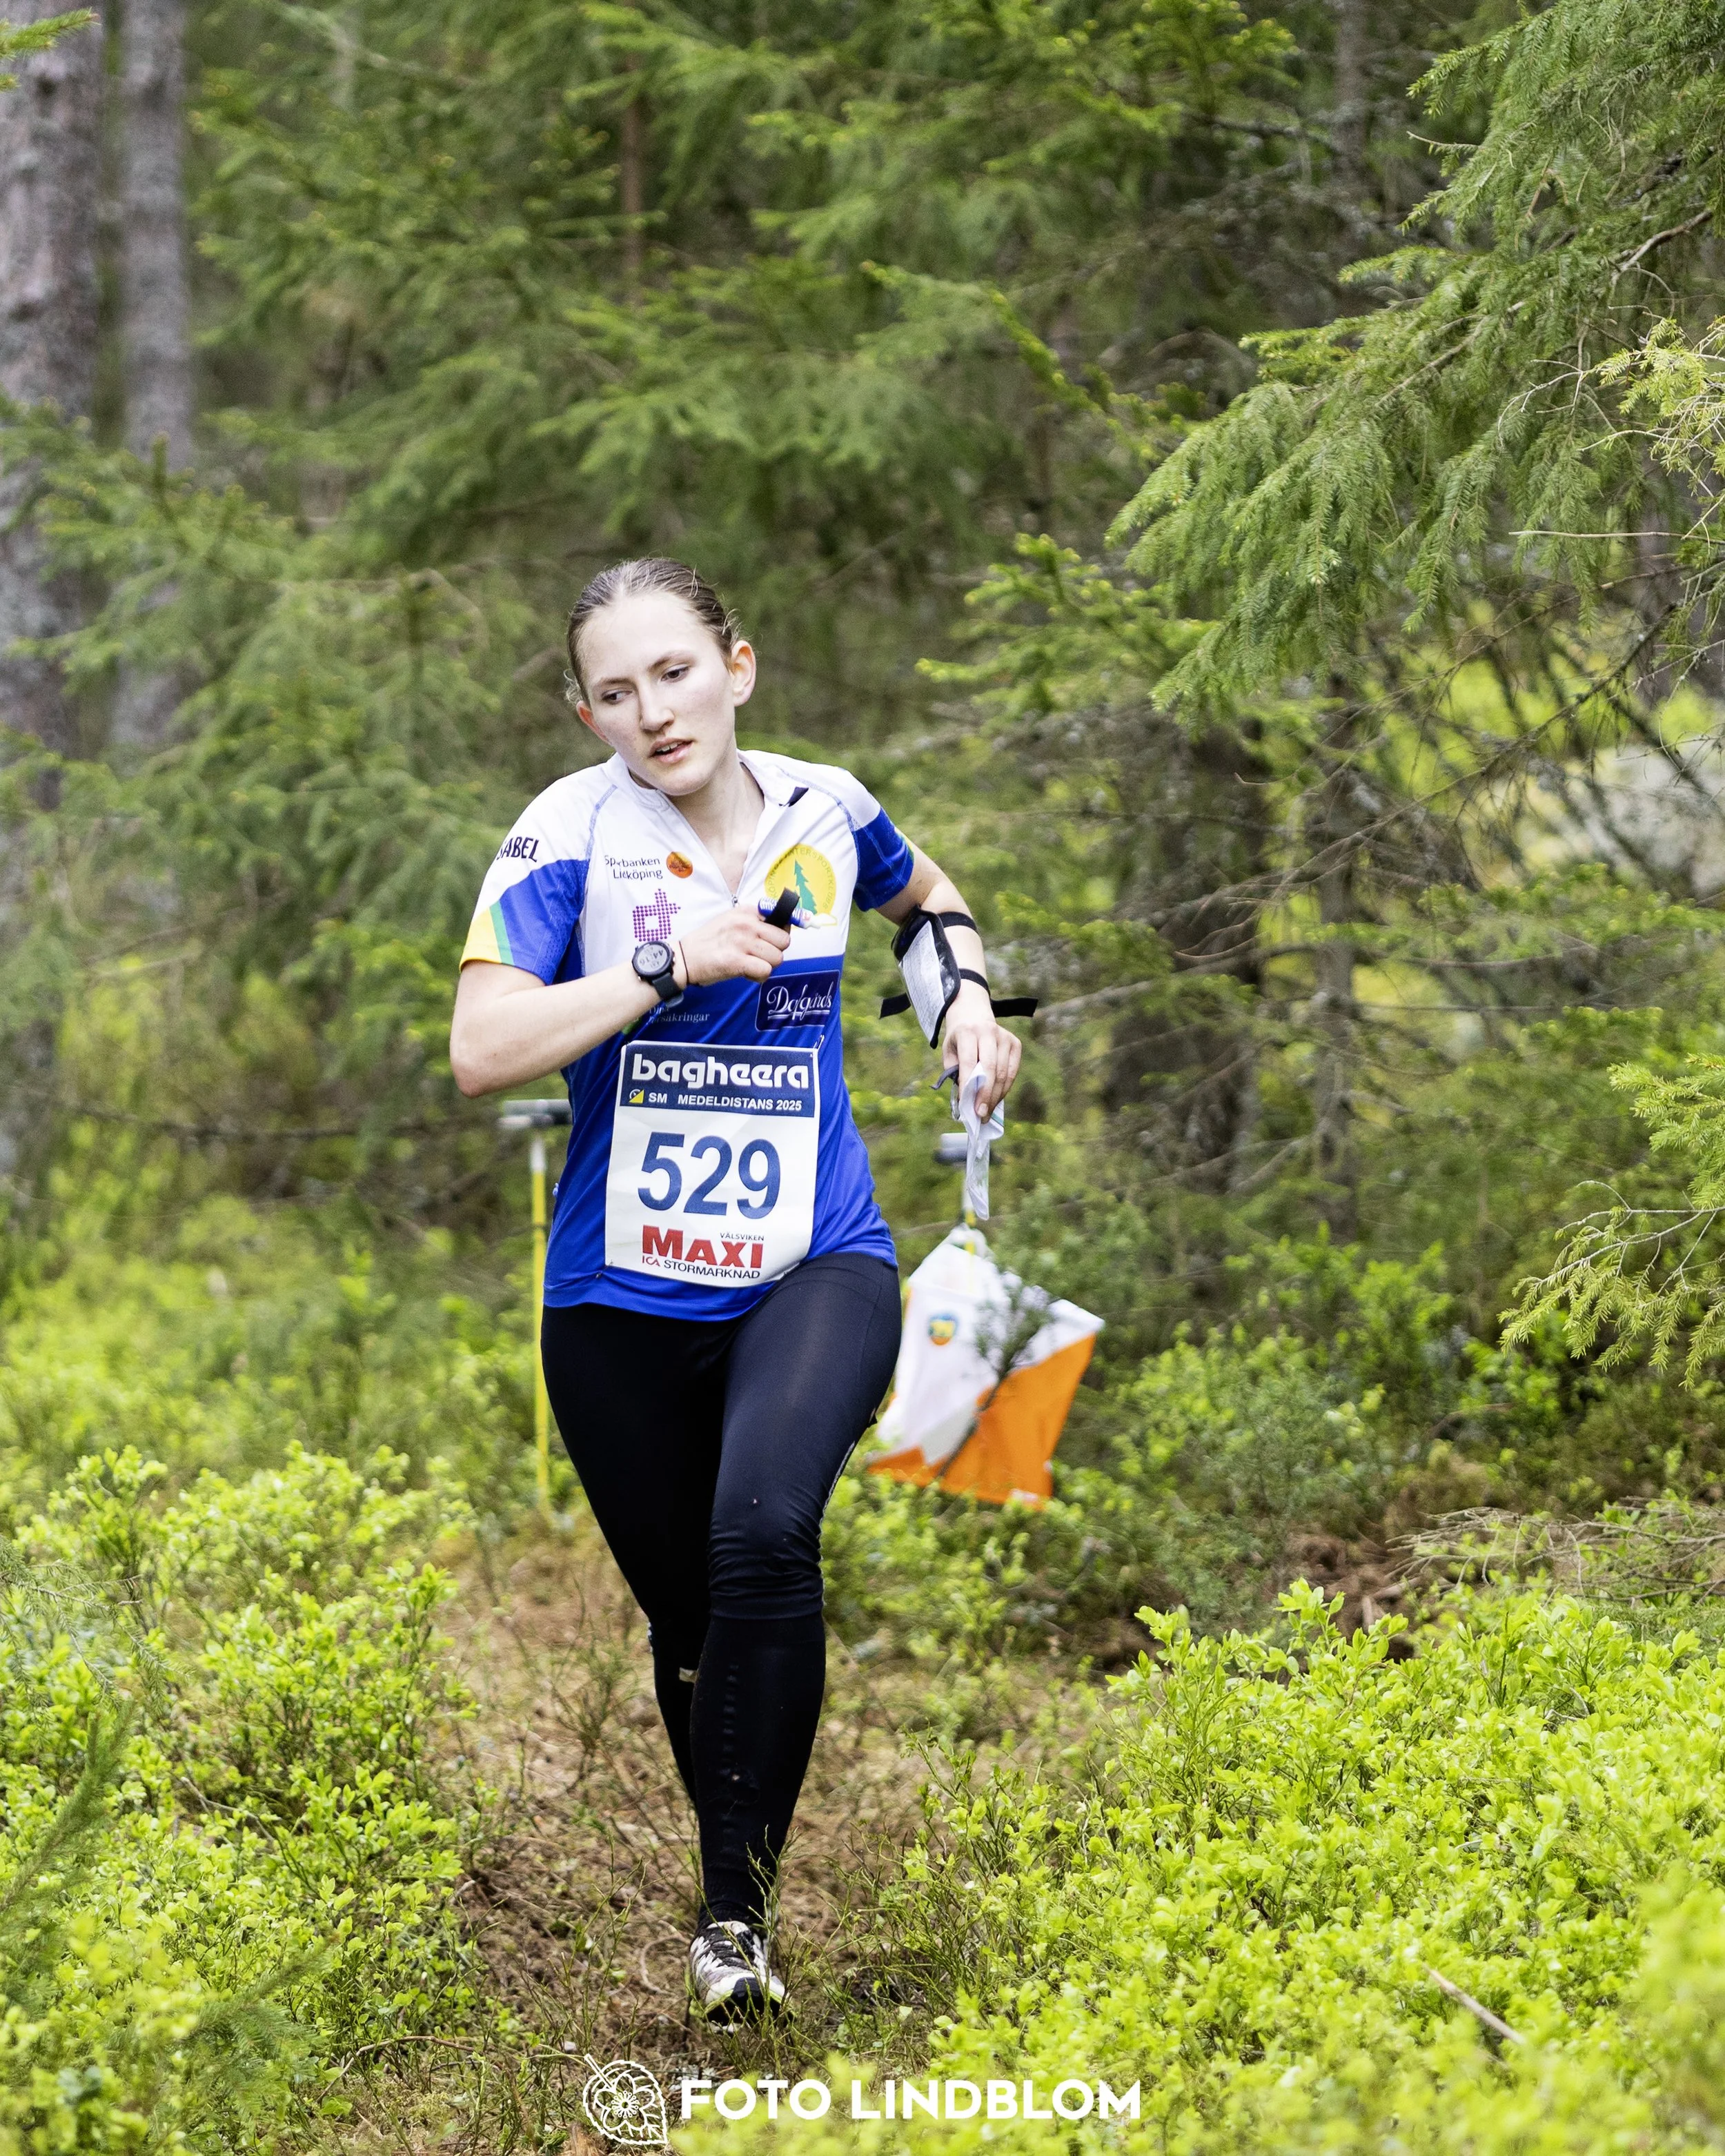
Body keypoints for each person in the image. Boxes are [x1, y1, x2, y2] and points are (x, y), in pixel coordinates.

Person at [448, 557, 1022, 2020]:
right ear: (587, 711)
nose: (652, 710)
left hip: (814, 1261)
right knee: (692, 1621)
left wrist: (961, 999)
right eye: (616, 689)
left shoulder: (826, 802)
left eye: (675, 673)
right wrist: (658, 960)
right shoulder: (563, 835)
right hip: (616, 1300)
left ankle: (731, 1921)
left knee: (765, 1534)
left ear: (738, 667)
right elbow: (482, 1045)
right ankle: (737, 1880)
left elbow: (925, 902)